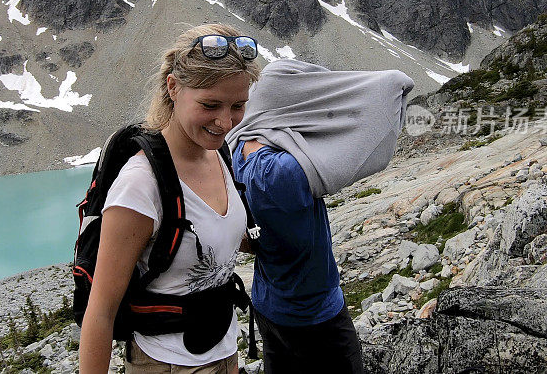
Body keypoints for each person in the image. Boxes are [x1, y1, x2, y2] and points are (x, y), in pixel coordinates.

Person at [79, 24, 261, 373]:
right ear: (173, 87)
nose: (226, 122)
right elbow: (100, 312)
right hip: (165, 364)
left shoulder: (219, 154)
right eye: (210, 105)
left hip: (225, 350)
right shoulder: (140, 186)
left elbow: (212, 237)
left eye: (238, 105)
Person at [226, 59, 414, 374]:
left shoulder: (239, 146)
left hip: (267, 303)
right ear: (287, 105)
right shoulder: (280, 172)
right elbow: (393, 84)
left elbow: (250, 235)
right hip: (313, 314)